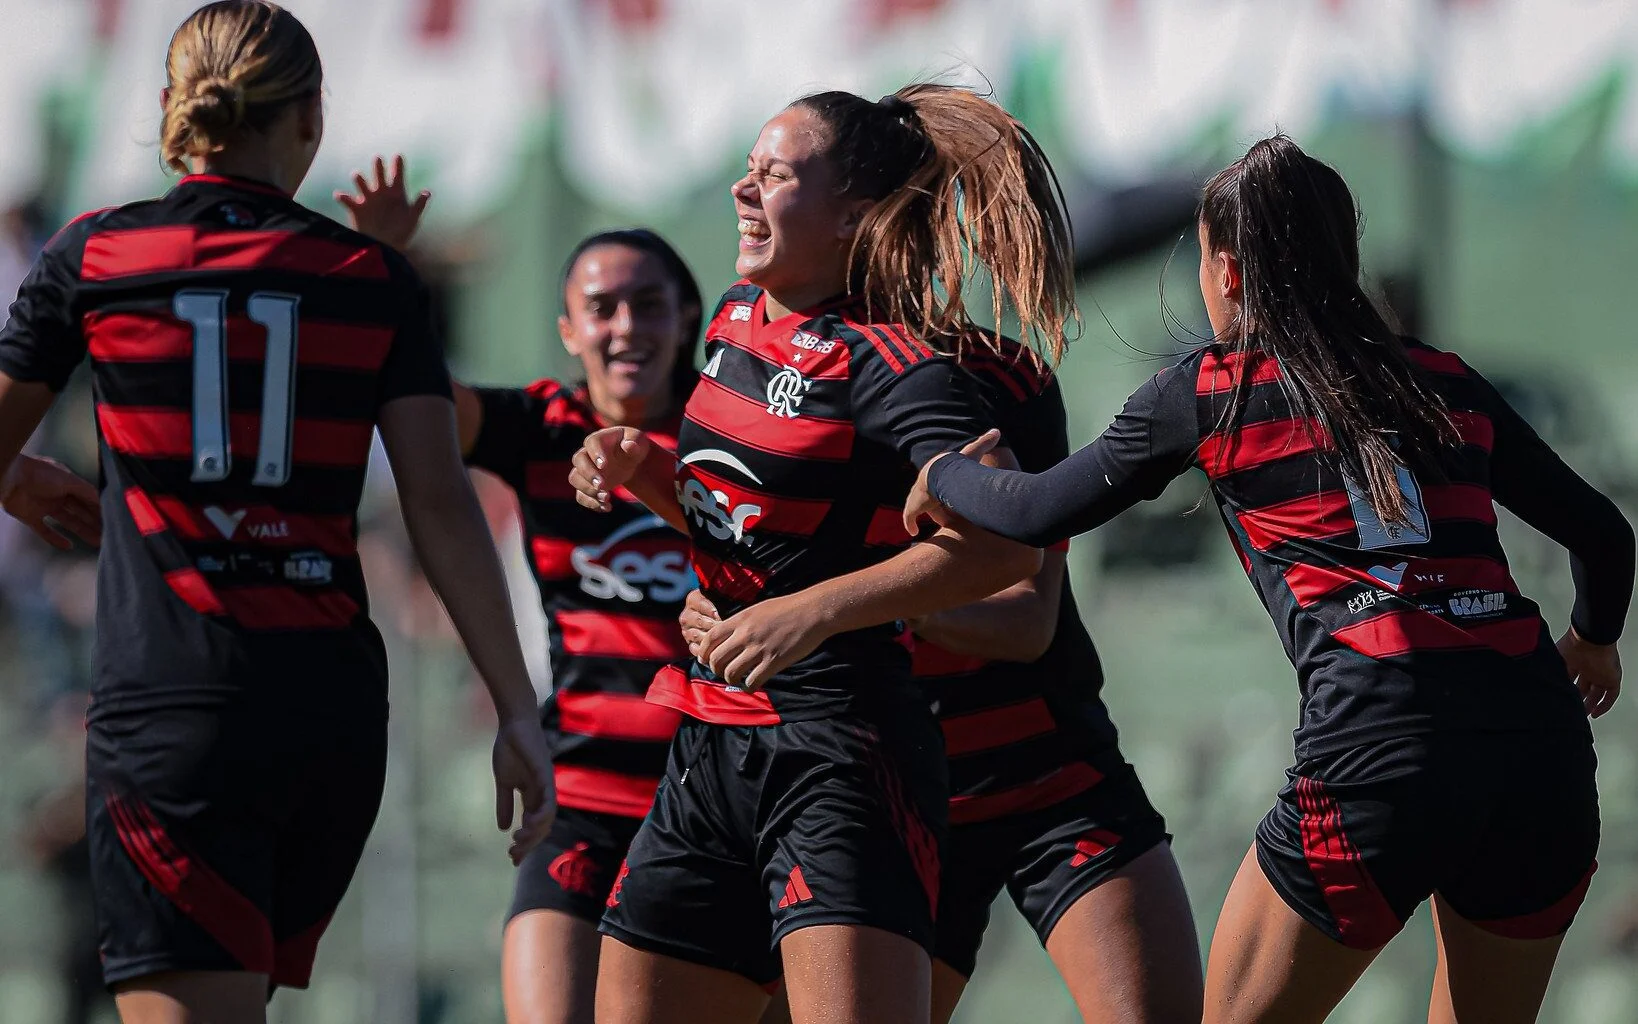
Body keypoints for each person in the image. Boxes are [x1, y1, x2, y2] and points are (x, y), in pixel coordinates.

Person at [905, 135, 1633, 1024]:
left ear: (1227, 272)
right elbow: (1604, 533)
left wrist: (942, 472)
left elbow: (1029, 513)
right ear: (1346, 258)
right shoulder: (1446, 381)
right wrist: (1593, 641)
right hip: (1540, 754)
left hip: (1381, 743)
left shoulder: (1217, 388)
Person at [0, 4, 555, 1022]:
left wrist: (19, 478)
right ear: (310, 119)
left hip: (181, 707)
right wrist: (518, 707)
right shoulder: (372, 279)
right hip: (329, 719)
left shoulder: (98, 257)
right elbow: (439, 502)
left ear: (173, 113)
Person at [569, 85, 1071, 1024]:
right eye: (747, 169)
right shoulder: (731, 318)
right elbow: (763, 529)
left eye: (773, 175)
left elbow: (1005, 554)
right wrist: (641, 469)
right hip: (708, 748)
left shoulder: (891, 365)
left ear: (851, 215)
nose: (740, 190)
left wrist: (809, 612)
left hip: (841, 755)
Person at [681, 330, 1203, 1024]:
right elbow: (750, 559)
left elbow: (1026, 621)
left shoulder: (1000, 375)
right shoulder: (773, 354)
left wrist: (856, 608)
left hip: (1047, 773)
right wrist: (734, 604)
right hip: (892, 796)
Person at [337, 161, 705, 1024]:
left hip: (713, 811)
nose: (625, 326)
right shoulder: (541, 424)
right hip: (576, 800)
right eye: (600, 308)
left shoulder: (735, 436)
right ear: (568, 329)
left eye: (647, 303)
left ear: (687, 316)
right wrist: (384, 268)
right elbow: (417, 408)